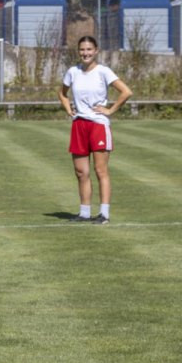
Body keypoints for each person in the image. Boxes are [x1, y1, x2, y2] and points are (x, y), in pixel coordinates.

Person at [59, 35, 132, 224]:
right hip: (79, 125)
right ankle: (84, 213)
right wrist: (69, 109)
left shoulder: (103, 71)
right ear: (78, 51)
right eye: (82, 50)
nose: (85, 53)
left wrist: (110, 110)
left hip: (98, 125)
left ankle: (104, 214)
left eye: (89, 49)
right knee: (81, 172)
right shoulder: (72, 72)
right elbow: (62, 93)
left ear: (96, 50)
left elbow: (126, 92)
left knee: (101, 171)